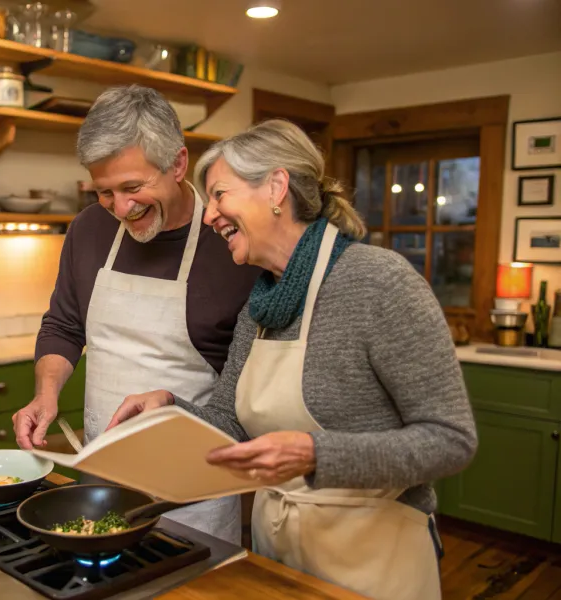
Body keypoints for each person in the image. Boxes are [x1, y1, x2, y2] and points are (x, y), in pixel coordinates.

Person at [105, 119, 477, 600]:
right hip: (278, 552)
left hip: (373, 560)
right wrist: (170, 408)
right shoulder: (262, 302)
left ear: (276, 187)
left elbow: (451, 440)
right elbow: (231, 421)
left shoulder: (379, 283)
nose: (210, 214)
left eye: (219, 195)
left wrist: (314, 454)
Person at [12, 85, 261, 545]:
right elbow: (64, 324)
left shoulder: (230, 243)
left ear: (179, 163)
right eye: (104, 191)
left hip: (193, 490)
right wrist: (46, 395)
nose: (121, 209)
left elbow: (248, 390)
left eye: (133, 187)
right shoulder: (89, 228)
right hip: (100, 474)